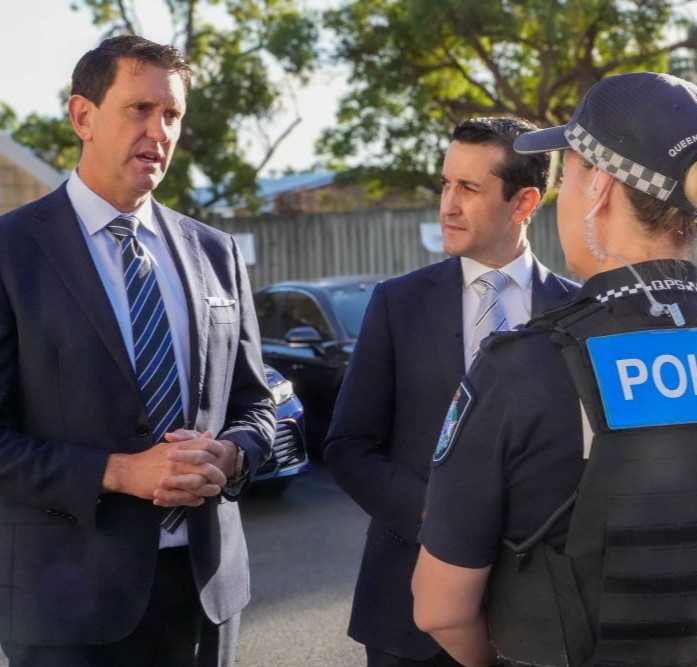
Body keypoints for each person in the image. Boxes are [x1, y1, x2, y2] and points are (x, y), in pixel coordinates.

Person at [411, 72, 697, 666]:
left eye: (567, 175)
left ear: (598, 187)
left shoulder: (520, 368)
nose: (560, 198)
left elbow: (440, 608)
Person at [0, 35, 275, 665]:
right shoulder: (12, 251)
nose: (158, 131)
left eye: (172, 115)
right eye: (139, 110)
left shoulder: (215, 252)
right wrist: (121, 472)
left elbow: (263, 404)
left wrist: (232, 454)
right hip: (66, 606)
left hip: (206, 594)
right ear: (83, 117)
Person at [324, 116, 578, 667]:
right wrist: (436, 516)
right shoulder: (398, 304)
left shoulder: (579, 313)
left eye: (469, 188)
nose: (448, 205)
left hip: (545, 616)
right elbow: (347, 446)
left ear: (524, 202)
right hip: (408, 616)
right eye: (445, 184)